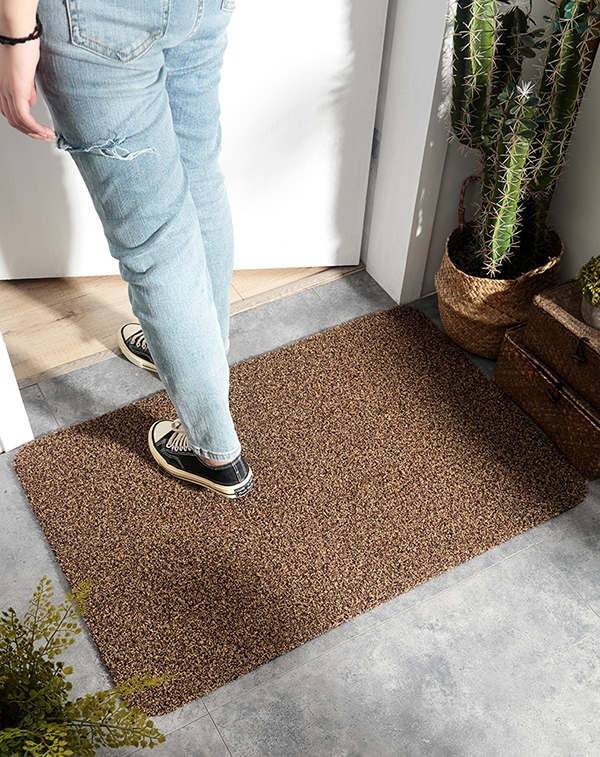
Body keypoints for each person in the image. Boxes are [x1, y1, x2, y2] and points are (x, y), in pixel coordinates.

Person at [0, 0, 254, 499]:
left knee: (154, 240)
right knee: (198, 172)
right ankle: (200, 349)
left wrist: (15, 36)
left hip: (99, 17)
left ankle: (213, 448)